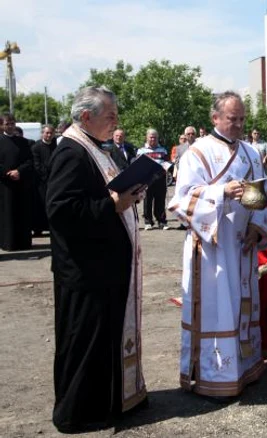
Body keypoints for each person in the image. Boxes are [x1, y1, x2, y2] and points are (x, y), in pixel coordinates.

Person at [46, 86, 147, 433]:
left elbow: (107, 191)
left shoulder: (96, 148)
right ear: (86, 116)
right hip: (85, 272)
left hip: (104, 269)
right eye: (111, 115)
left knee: (104, 341)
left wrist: (129, 192)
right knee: (83, 343)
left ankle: (108, 402)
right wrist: (113, 205)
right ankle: (78, 412)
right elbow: (61, 211)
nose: (117, 120)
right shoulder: (72, 152)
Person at [168, 91, 267, 400]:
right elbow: (182, 201)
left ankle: (245, 367)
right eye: (231, 119)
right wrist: (220, 192)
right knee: (218, 307)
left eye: (241, 119)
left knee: (242, 301)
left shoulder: (252, 153)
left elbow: (263, 194)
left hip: (242, 246)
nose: (238, 124)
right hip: (212, 247)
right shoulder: (196, 153)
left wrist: (256, 226)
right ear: (215, 119)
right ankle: (215, 374)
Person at [0, 113, 33, 251]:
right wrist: (8, 173)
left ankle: (23, 242)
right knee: (7, 213)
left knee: (22, 213)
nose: (11, 126)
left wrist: (19, 171)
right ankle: (7, 242)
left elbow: (30, 161)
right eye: (7, 123)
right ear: (1, 125)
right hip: (5, 184)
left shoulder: (24, 142)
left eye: (13, 123)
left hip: (21, 182)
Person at [137, 129, 170, 230]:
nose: (153, 139)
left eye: (155, 137)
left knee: (160, 200)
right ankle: (148, 222)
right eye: (151, 137)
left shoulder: (163, 150)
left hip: (160, 178)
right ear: (147, 137)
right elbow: (138, 165)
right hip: (147, 179)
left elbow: (167, 163)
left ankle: (161, 221)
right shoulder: (141, 150)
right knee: (148, 200)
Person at [31, 124, 57, 236]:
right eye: (47, 133)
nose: (49, 135)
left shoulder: (56, 145)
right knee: (41, 205)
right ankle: (39, 228)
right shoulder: (36, 147)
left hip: (55, 181)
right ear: (42, 133)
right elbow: (37, 165)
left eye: (51, 133)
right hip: (42, 182)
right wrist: (48, 176)